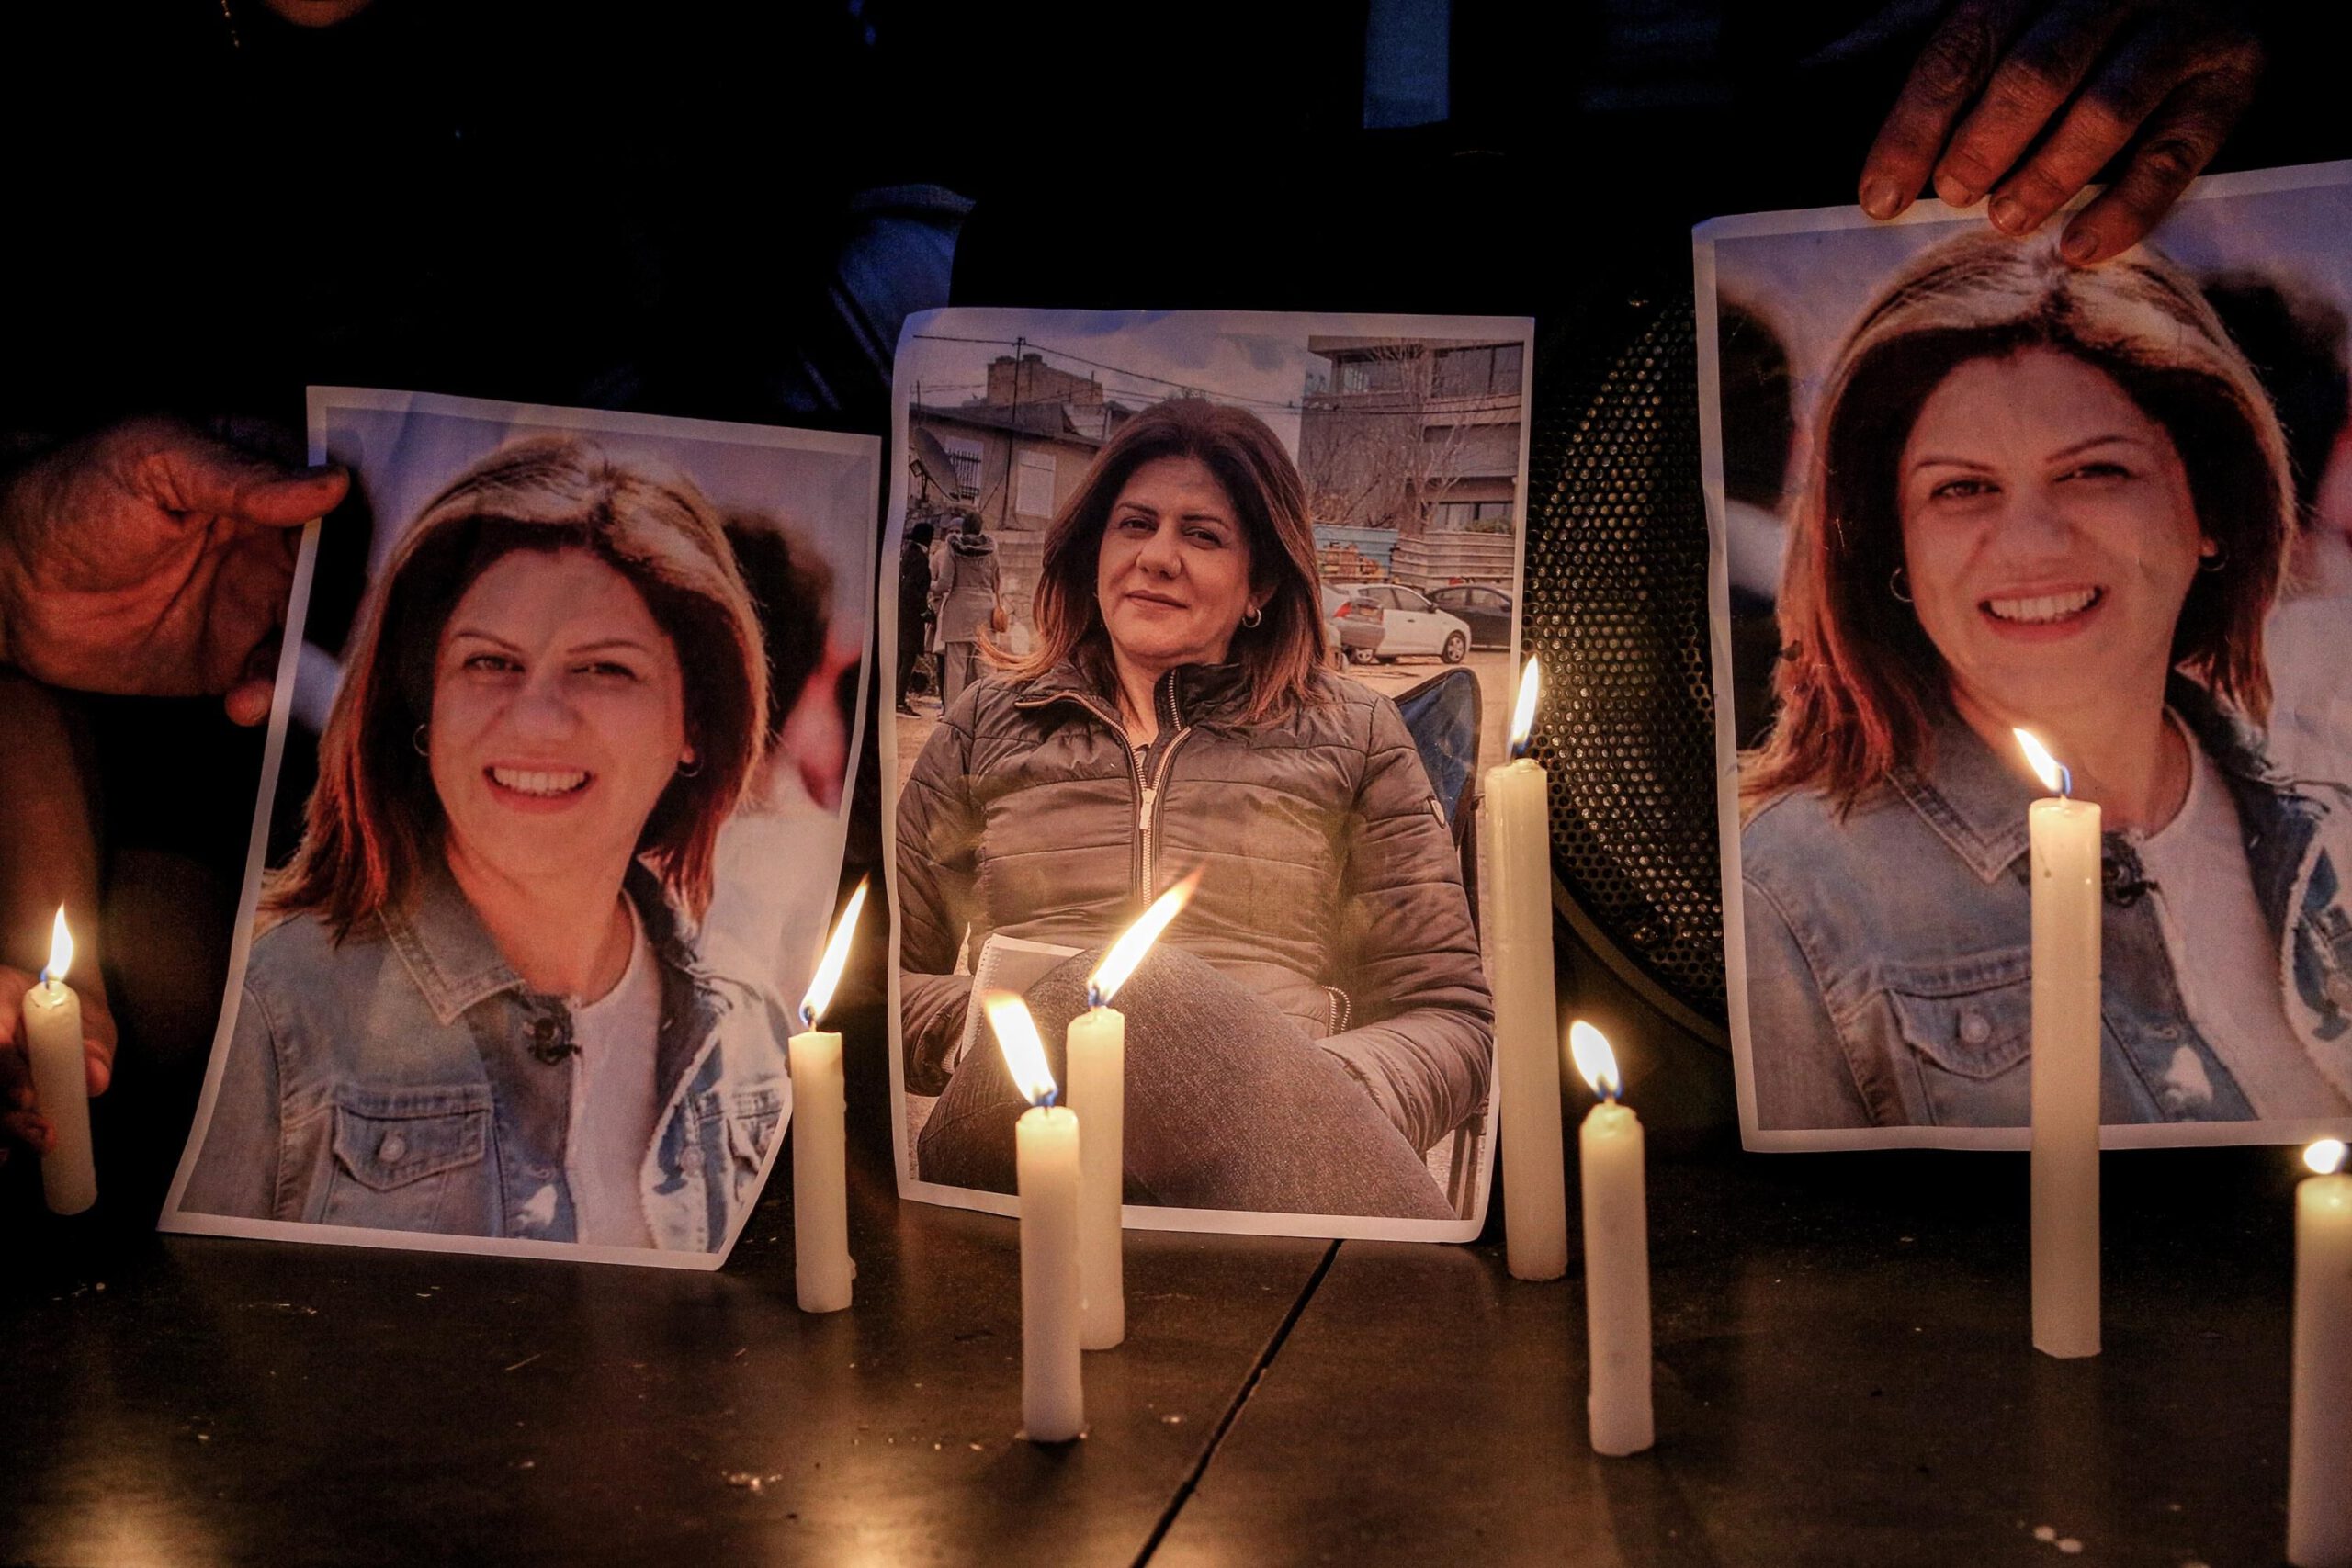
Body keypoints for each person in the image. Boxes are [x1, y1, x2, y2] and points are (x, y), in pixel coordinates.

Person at [1740, 229, 2352, 1132]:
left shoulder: (2323, 808)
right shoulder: (1791, 892)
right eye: (1961, 489)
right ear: (1892, 547)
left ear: (2209, 508)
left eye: (2093, 471)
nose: (2028, 544)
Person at [180, 435, 787, 1248]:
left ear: (696, 724)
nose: (536, 718)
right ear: (422, 707)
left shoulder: (755, 1037)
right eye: (490, 662)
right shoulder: (270, 1012)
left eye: (604, 669)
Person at [895, 397, 1492, 1221]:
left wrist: (1319, 1089)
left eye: (1202, 535)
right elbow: (874, 986)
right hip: (1022, 1156)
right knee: (1111, 997)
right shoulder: (982, 726)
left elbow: (1452, 1020)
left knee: (1150, 995)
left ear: (1262, 583)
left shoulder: (1355, 734)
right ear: (1094, 551)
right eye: (1134, 525)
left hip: (1272, 1176)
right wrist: (1022, 1024)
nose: (1157, 556)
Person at [931, 510, 999, 712]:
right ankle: (986, 711)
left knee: (956, 670)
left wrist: (932, 586)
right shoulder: (992, 549)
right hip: (985, 610)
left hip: (959, 611)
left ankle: (954, 715)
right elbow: (997, 579)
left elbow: (944, 583)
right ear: (980, 528)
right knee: (985, 667)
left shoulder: (953, 548)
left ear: (964, 528)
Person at [897, 519, 936, 714]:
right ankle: (899, 700)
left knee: (901, 657)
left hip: (902, 613)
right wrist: (924, 611)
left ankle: (896, 698)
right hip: (912, 616)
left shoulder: (908, 555)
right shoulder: (920, 559)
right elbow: (912, 589)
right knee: (908, 659)